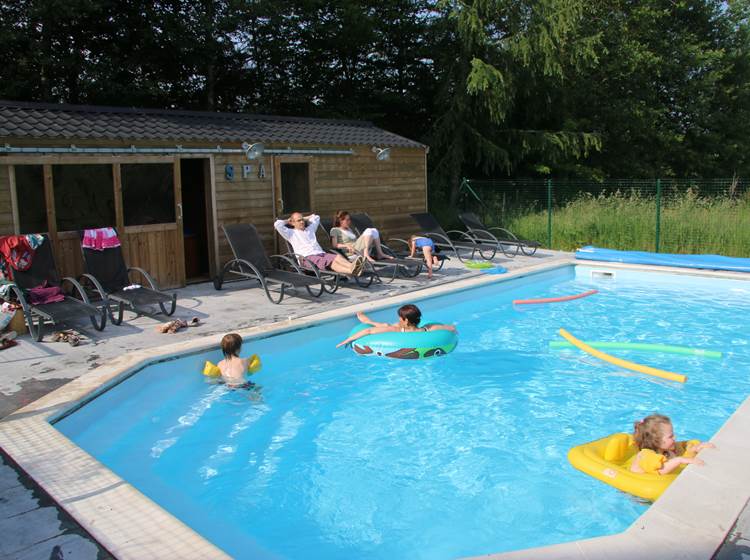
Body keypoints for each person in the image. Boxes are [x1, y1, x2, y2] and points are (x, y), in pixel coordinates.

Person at [274, 212, 364, 276]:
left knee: (337, 257)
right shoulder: (290, 233)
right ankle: (351, 271)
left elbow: (316, 217)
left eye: (302, 220)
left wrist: (304, 218)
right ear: (292, 223)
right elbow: (277, 224)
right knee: (331, 262)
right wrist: (288, 220)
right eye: (298, 220)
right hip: (306, 258)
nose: (302, 222)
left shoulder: (310, 229)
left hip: (320, 253)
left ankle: (353, 266)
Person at [629, 413, 715, 475]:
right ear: (656, 441)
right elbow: (661, 470)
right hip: (639, 492)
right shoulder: (645, 455)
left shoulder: (667, 450)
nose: (675, 438)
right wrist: (679, 460)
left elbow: (684, 453)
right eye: (671, 436)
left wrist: (695, 449)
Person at [336, 304, 456, 348]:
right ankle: (368, 320)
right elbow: (451, 328)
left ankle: (367, 320)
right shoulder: (429, 328)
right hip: (419, 332)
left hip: (399, 333)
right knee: (386, 324)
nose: (398, 319)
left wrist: (347, 340)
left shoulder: (397, 329)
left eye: (400, 317)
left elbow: (368, 331)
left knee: (385, 325)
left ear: (406, 320)